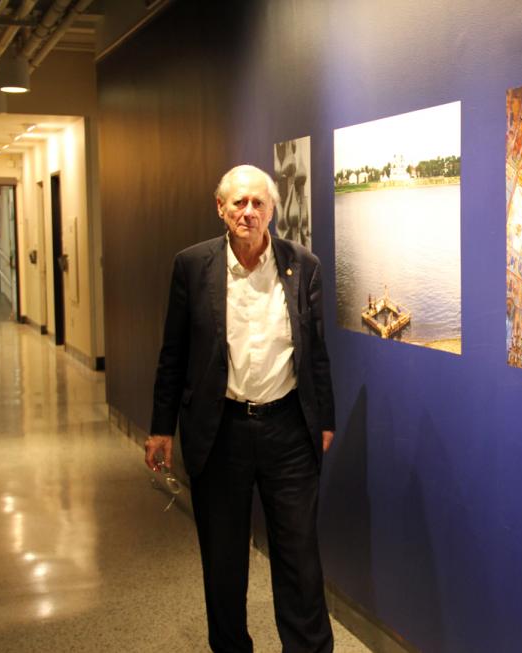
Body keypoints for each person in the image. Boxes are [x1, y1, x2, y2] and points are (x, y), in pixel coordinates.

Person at [146, 164, 335, 653]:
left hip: (288, 431)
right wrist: (161, 428)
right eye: (239, 203)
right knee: (223, 561)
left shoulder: (303, 265)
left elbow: (315, 351)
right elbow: (173, 352)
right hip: (220, 431)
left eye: (258, 203)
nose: (248, 212)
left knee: (299, 558)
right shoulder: (193, 266)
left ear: (272, 210)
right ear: (221, 208)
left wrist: (325, 421)